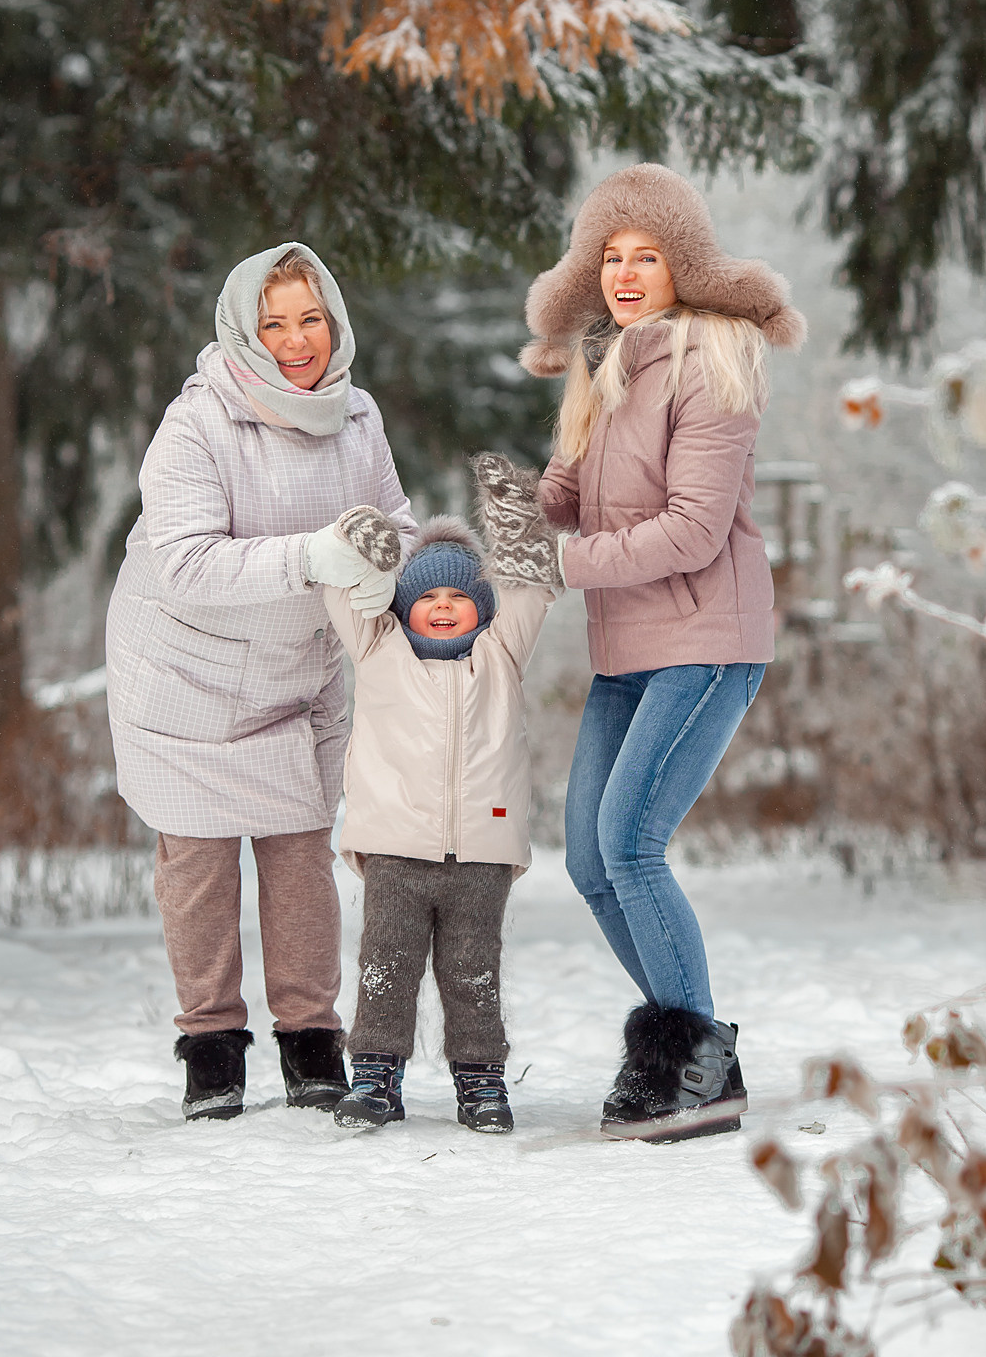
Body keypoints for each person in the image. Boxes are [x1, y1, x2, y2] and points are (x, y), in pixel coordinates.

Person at [517, 163, 806, 1139]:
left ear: (681, 266)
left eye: (646, 256)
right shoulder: (612, 365)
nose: (626, 272)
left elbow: (689, 529)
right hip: (628, 647)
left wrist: (566, 562)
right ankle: (694, 1048)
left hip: (705, 641)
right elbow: (578, 504)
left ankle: (688, 1063)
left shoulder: (712, 368)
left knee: (632, 845)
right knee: (589, 861)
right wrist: (544, 485)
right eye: (610, 256)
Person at [106, 242, 417, 1121]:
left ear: (335, 323)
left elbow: (390, 516)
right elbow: (185, 563)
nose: (295, 341)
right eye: (273, 323)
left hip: (292, 670)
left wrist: (387, 567)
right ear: (244, 330)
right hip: (183, 668)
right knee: (199, 864)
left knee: (299, 856)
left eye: (310, 319)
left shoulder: (357, 418)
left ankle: (312, 1040)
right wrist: (313, 557)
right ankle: (211, 1046)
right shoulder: (197, 423)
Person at [318, 486, 555, 1134]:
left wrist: (523, 528)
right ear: (403, 607)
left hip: (482, 852)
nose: (443, 607)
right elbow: (340, 582)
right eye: (427, 597)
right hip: (395, 848)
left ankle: (481, 1083)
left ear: (481, 608)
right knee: (386, 966)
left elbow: (532, 588)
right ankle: (374, 1078)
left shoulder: (500, 656)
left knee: (472, 972)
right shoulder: (377, 650)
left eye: (457, 597)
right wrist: (359, 537)